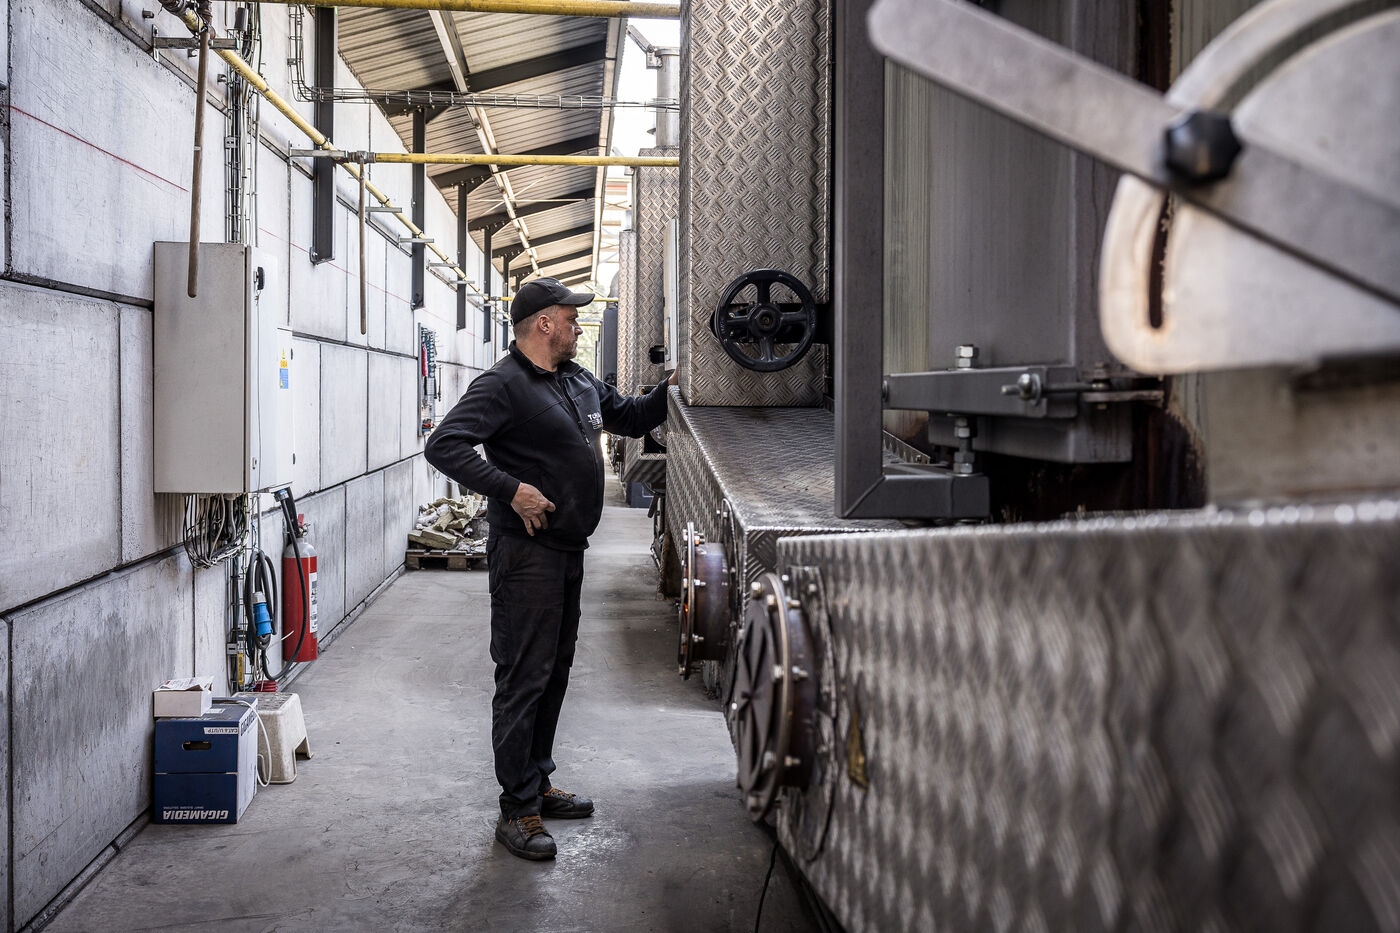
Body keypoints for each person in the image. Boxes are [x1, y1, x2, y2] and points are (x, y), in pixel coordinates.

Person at [425, 277, 674, 861]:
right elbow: (445, 444)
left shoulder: (576, 379)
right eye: (570, 318)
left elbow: (632, 417)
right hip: (526, 555)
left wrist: (679, 382)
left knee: (554, 672)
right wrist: (512, 490)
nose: (578, 327)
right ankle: (517, 810)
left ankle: (536, 782)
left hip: (567, 549)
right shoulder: (502, 385)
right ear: (543, 323)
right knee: (523, 677)